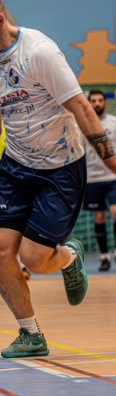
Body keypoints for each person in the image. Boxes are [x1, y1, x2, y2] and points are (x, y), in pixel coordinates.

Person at [0, 0, 116, 358]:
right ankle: (31, 335)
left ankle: (68, 257)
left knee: (35, 259)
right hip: (16, 166)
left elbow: (83, 110)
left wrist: (111, 162)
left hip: (61, 167)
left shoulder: (40, 52)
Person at [0, 125, 31, 281]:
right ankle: (21, 265)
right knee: (11, 226)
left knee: (28, 225)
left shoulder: (27, 122)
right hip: (8, 182)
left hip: (30, 178)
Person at [81, 89, 116, 272]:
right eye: (93, 100)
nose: (97, 103)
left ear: (105, 102)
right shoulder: (83, 125)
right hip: (93, 178)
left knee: (115, 212)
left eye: (100, 100)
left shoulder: (113, 122)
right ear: (89, 103)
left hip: (112, 176)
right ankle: (104, 257)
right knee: (99, 217)